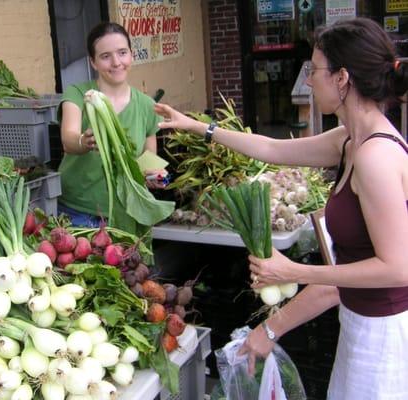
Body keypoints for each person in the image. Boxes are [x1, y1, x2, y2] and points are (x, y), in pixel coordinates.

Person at [155, 17, 408, 399]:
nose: (308, 79)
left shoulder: (375, 154)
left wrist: (293, 270)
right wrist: (197, 127)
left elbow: (398, 267)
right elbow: (272, 149)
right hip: (361, 324)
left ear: (342, 78)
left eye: (315, 69)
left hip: (385, 337)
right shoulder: (350, 140)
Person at [57, 21, 167, 228]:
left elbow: (149, 159)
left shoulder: (147, 106)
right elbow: (68, 140)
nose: (116, 62)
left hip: (126, 211)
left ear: (131, 55)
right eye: (105, 56)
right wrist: (84, 141)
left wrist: (155, 176)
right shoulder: (79, 94)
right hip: (77, 212)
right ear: (93, 62)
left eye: (122, 53)